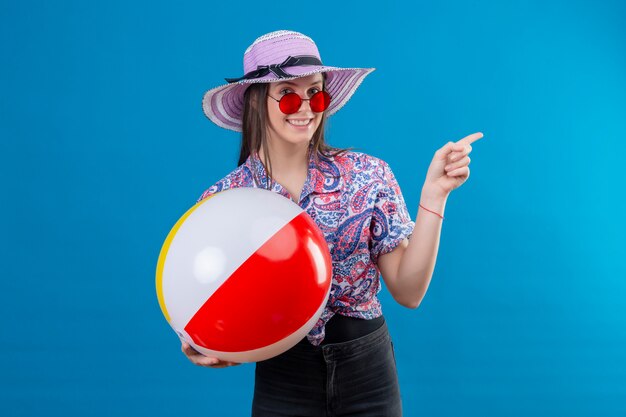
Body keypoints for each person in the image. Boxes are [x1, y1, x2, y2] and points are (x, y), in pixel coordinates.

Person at [181, 29, 483, 417]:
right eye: (289, 94)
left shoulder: (368, 175)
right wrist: (203, 340)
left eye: (316, 93)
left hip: (369, 372)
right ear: (257, 102)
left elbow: (408, 292)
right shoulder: (223, 202)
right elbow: (205, 290)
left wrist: (433, 196)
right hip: (283, 378)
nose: (305, 107)